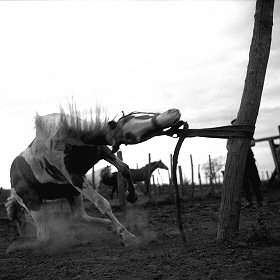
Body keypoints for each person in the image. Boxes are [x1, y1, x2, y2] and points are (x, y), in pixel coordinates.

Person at [243, 140, 263, 207]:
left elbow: (253, 142)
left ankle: (259, 200)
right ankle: (249, 201)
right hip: (240, 162)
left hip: (250, 161)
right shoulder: (231, 134)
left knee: (255, 181)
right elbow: (228, 146)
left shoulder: (246, 131)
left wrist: (243, 144)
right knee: (245, 183)